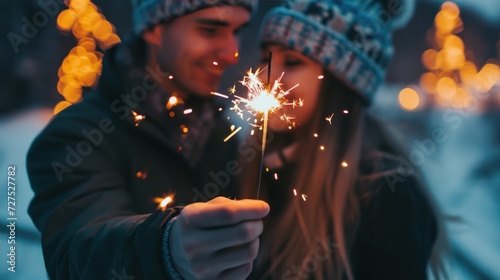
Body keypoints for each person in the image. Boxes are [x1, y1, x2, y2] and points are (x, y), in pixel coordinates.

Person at [27, 0, 270, 279]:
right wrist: (166, 247)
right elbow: (76, 255)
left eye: (238, 31)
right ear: (154, 28)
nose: (232, 54)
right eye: (210, 30)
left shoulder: (220, 132)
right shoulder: (76, 136)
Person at [237, 0, 440, 279]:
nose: (267, 78)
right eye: (265, 59)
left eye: (293, 61)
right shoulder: (251, 168)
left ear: (340, 83)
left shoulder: (386, 196)